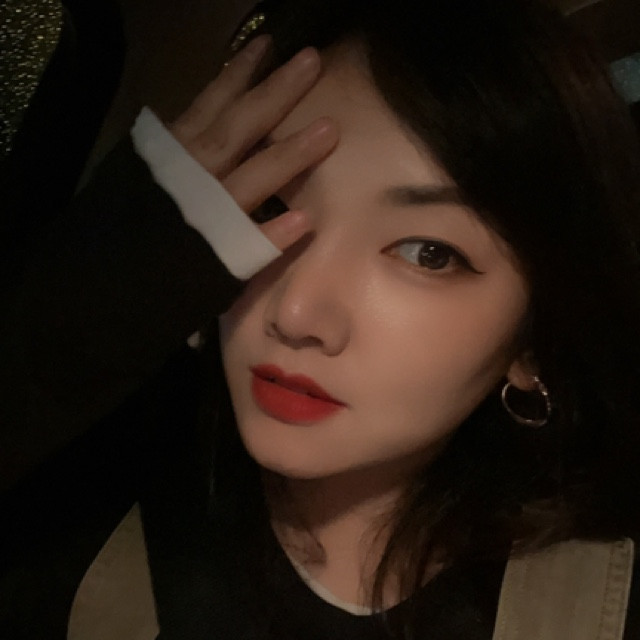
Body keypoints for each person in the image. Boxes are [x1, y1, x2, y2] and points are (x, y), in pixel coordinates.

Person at [5, 0, 640, 637]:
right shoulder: (85, 478)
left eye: (428, 253)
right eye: (266, 207)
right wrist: (62, 328)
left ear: (534, 341)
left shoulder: (602, 600)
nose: (296, 313)